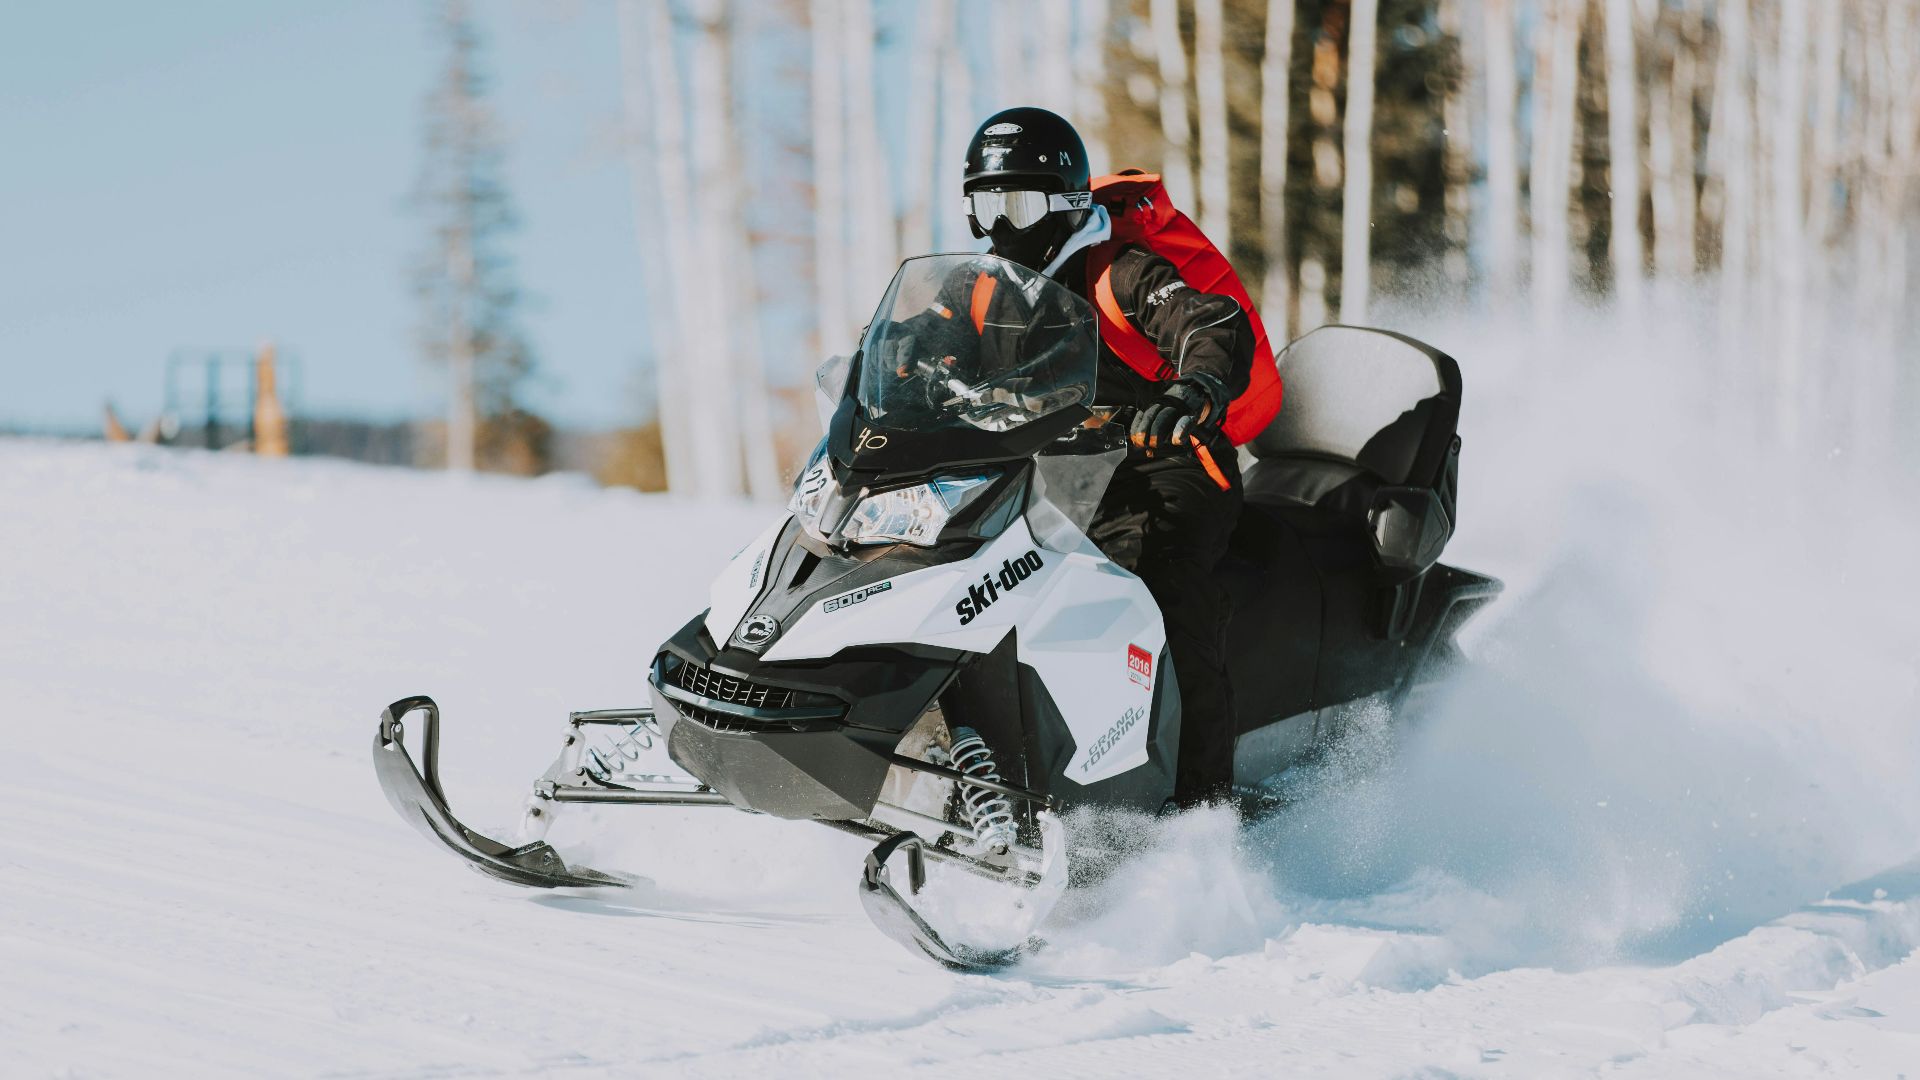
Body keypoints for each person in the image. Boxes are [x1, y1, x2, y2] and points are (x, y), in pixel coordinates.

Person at [955, 106, 1276, 809]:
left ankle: (1199, 805)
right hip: (1055, 477)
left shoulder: (1120, 270)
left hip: (1168, 464)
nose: (1003, 226)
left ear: (1067, 205)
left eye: (1020, 203)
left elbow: (1206, 320)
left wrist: (1196, 385)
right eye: (986, 204)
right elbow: (923, 339)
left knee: (1159, 589)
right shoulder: (983, 288)